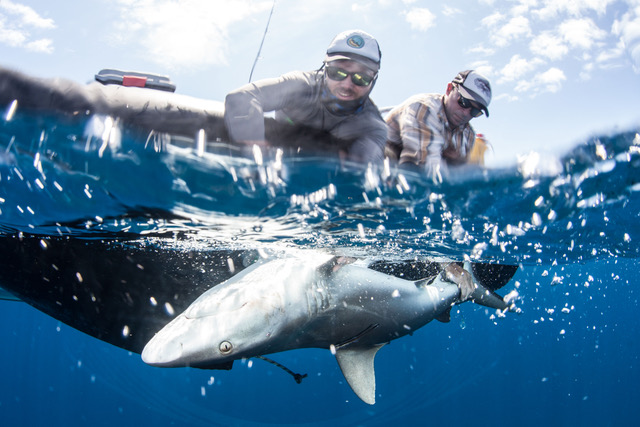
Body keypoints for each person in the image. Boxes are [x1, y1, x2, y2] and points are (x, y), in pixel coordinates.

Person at [224, 30, 387, 164]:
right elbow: (241, 98)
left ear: (373, 81)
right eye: (337, 73)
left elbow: (364, 171)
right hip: (280, 157)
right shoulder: (301, 85)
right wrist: (254, 152)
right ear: (325, 69)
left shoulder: (373, 126)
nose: (347, 85)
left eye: (361, 78)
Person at [385, 70, 492, 182]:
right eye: (463, 102)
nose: (466, 113)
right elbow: (425, 166)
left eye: (475, 111)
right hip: (380, 163)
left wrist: (456, 162)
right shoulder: (423, 108)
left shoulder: (468, 135)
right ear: (449, 89)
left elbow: (459, 173)